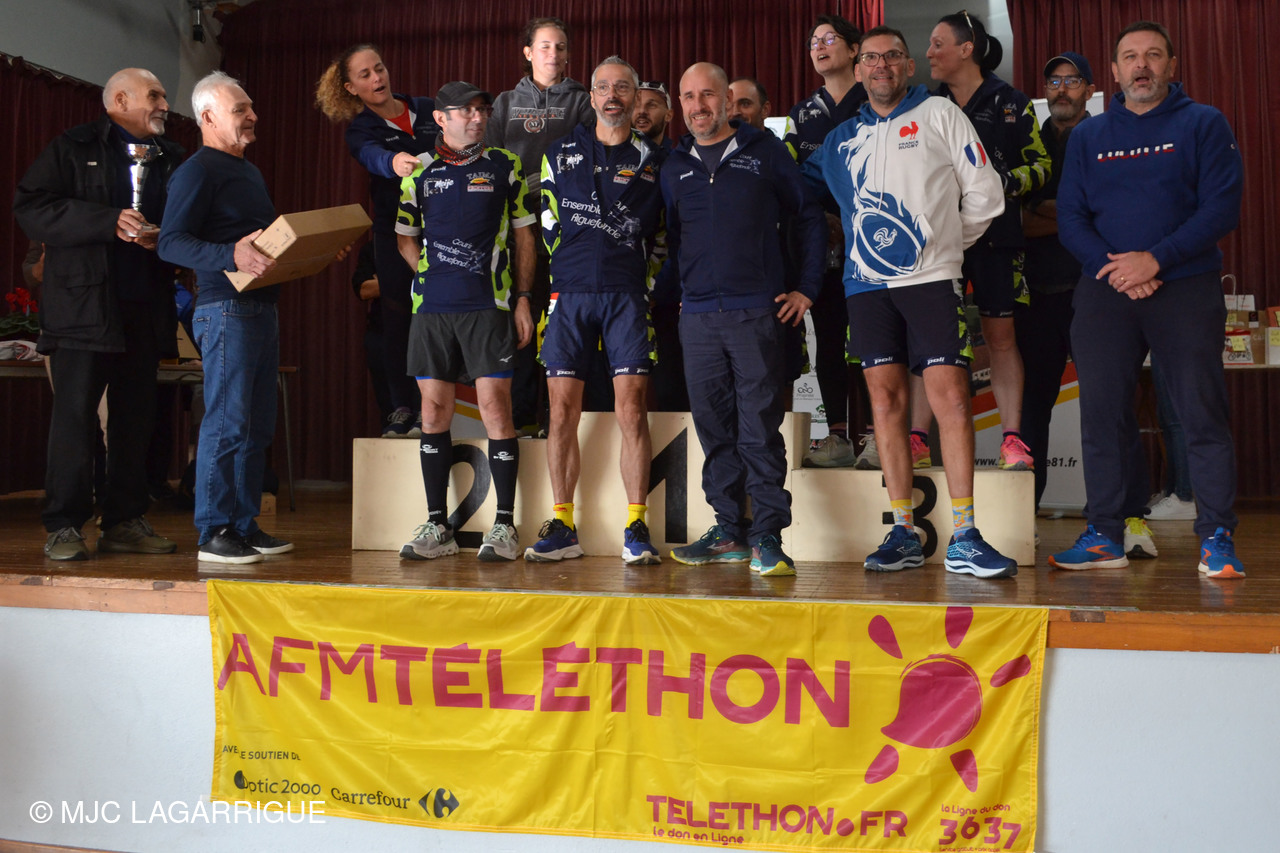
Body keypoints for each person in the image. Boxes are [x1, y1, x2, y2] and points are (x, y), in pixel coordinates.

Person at [801, 26, 1015, 579]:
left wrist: (942, 247)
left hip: (932, 280)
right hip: (864, 287)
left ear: (908, 65)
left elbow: (986, 194)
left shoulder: (942, 115)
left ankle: (965, 535)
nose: (881, 66)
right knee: (886, 403)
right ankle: (902, 532)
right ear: (859, 69)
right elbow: (808, 197)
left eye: (893, 56)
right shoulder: (840, 139)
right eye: (872, 58)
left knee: (951, 399)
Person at [1050, 21, 1245, 578]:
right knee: (1102, 415)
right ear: (1113, 71)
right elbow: (1071, 217)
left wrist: (1155, 260)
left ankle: (1217, 537)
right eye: (1130, 57)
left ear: (1172, 65)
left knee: (1200, 411)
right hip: (1106, 289)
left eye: (1153, 55)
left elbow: (1221, 207)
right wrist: (1117, 269)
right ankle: (1105, 535)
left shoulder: (1204, 123)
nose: (1142, 65)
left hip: (1185, 287)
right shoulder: (1088, 136)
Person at [661, 62, 825, 577]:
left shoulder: (766, 152)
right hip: (698, 320)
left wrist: (807, 288)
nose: (698, 106)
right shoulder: (674, 165)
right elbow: (676, 240)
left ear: (728, 101)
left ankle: (768, 537)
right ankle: (728, 530)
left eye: (708, 95)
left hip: (756, 312)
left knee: (758, 430)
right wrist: (679, 296)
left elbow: (809, 217)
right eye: (689, 97)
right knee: (714, 431)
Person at [14, 67, 183, 561]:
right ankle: (64, 525)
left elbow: (187, 218)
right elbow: (31, 208)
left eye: (163, 96)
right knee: (75, 420)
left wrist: (165, 235)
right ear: (119, 101)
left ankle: (124, 521)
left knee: (134, 421)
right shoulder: (73, 146)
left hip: (144, 307)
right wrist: (107, 221)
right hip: (81, 309)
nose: (163, 104)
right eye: (154, 95)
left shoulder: (172, 157)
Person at [524, 57, 666, 565]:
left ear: (635, 97)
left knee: (632, 409)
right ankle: (563, 523)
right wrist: (570, 269)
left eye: (622, 88)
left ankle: (636, 524)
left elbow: (664, 236)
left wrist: (643, 281)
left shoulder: (655, 160)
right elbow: (547, 221)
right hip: (569, 296)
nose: (612, 96)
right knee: (561, 411)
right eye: (603, 87)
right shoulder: (560, 152)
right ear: (591, 96)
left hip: (627, 297)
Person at [394, 81, 536, 562]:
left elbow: (524, 238)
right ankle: (438, 525)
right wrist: (427, 276)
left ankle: (504, 525)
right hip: (432, 310)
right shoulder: (419, 170)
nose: (477, 118)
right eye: (466, 111)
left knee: (496, 409)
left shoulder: (504, 165)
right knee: (433, 413)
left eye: (483, 110)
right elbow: (405, 236)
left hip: (488, 306)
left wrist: (522, 299)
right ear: (440, 118)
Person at [158, 70, 293, 565]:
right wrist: (229, 254)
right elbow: (170, 242)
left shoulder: (248, 172)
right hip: (225, 310)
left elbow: (258, 243)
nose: (253, 115)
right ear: (208, 118)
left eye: (251, 106)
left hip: (261, 307)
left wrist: (312, 248)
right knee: (228, 423)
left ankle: (243, 525)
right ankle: (213, 531)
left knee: (256, 428)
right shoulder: (196, 171)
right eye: (241, 110)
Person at [921, 10, 1052, 472]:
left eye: (938, 44)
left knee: (1000, 338)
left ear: (967, 48)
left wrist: (999, 183)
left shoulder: (1012, 102)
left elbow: (1041, 166)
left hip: (998, 239)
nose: (929, 53)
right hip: (940, 244)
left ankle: (1012, 439)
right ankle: (918, 438)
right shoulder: (926, 106)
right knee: (932, 340)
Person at [316, 44, 437, 438]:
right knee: (398, 319)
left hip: (442, 231)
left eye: (379, 68)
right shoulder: (362, 129)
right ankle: (402, 408)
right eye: (365, 75)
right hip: (395, 235)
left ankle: (434, 409)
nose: (377, 78)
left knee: (437, 319)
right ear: (351, 88)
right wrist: (393, 162)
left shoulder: (426, 108)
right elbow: (370, 155)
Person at [486, 17, 594, 435]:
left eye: (561, 47)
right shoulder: (505, 103)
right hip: (517, 228)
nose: (554, 53)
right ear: (528, 52)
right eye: (545, 46)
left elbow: (589, 159)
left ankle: (558, 418)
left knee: (562, 320)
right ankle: (520, 418)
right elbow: (491, 161)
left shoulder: (582, 101)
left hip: (568, 228)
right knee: (520, 319)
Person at [784, 14, 871, 469]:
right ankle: (836, 433)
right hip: (824, 247)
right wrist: (821, 218)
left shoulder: (873, 101)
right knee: (831, 339)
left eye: (829, 38)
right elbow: (791, 181)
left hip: (873, 244)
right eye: (813, 41)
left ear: (854, 49)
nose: (819, 46)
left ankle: (877, 434)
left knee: (874, 338)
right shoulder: (801, 114)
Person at [349, 241, 395, 426]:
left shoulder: (428, 241)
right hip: (381, 333)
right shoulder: (374, 247)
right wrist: (405, 279)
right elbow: (364, 289)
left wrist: (382, 281)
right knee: (389, 408)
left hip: (420, 332)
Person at [633, 81, 673, 150]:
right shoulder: (615, 153)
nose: (642, 111)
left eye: (651, 105)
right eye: (636, 105)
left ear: (668, 115)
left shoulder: (678, 156)